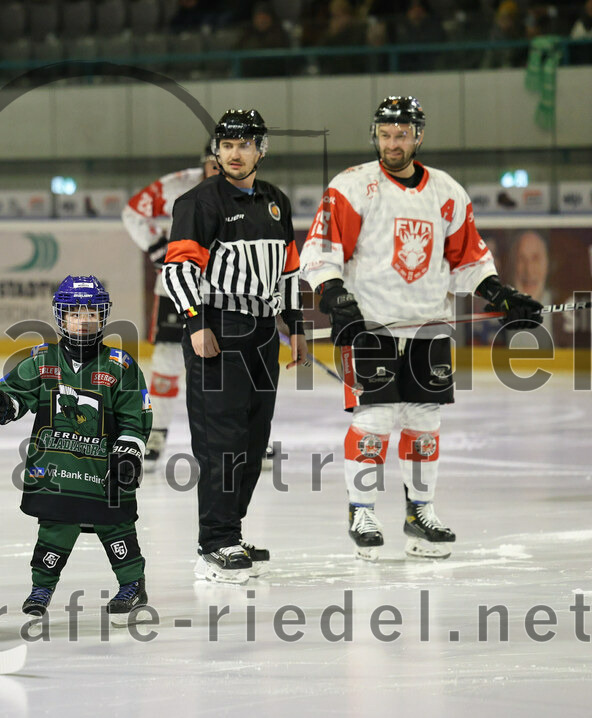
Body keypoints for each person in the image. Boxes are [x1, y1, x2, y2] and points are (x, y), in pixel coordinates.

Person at [300, 96, 543, 562]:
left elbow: (467, 260)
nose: (394, 143)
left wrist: (502, 294)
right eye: (387, 134)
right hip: (371, 326)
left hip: (429, 327)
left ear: (418, 136)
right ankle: (362, 511)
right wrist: (334, 296)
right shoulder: (352, 187)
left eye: (403, 134)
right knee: (374, 421)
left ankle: (420, 513)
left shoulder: (447, 192)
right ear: (376, 134)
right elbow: (322, 250)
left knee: (425, 423)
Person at [162, 109, 308, 584]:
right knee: (220, 440)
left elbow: (287, 272)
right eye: (226, 145)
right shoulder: (197, 202)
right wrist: (196, 322)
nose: (234, 153)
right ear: (216, 151)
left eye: (244, 145)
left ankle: (232, 530)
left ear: (260, 149)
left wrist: (296, 326)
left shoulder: (275, 202)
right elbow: (179, 270)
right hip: (217, 330)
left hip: (263, 333)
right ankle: (215, 540)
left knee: (252, 438)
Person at [0, 276, 153, 625]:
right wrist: (2, 403)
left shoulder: (120, 365)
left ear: (103, 317)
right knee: (55, 523)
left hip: (103, 465)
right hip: (55, 466)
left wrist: (130, 451)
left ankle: (132, 584)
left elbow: (137, 416)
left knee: (115, 524)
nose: (84, 319)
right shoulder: (43, 359)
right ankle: (41, 588)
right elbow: (16, 393)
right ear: (61, 316)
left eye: (92, 312)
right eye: (75, 312)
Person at [122, 145, 219, 468]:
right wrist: (157, 247)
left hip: (225, 288)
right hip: (176, 286)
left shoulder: (249, 191)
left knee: (230, 362)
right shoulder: (179, 185)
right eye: (213, 161)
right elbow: (134, 211)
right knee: (167, 357)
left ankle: (243, 436)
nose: (219, 166)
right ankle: (157, 432)